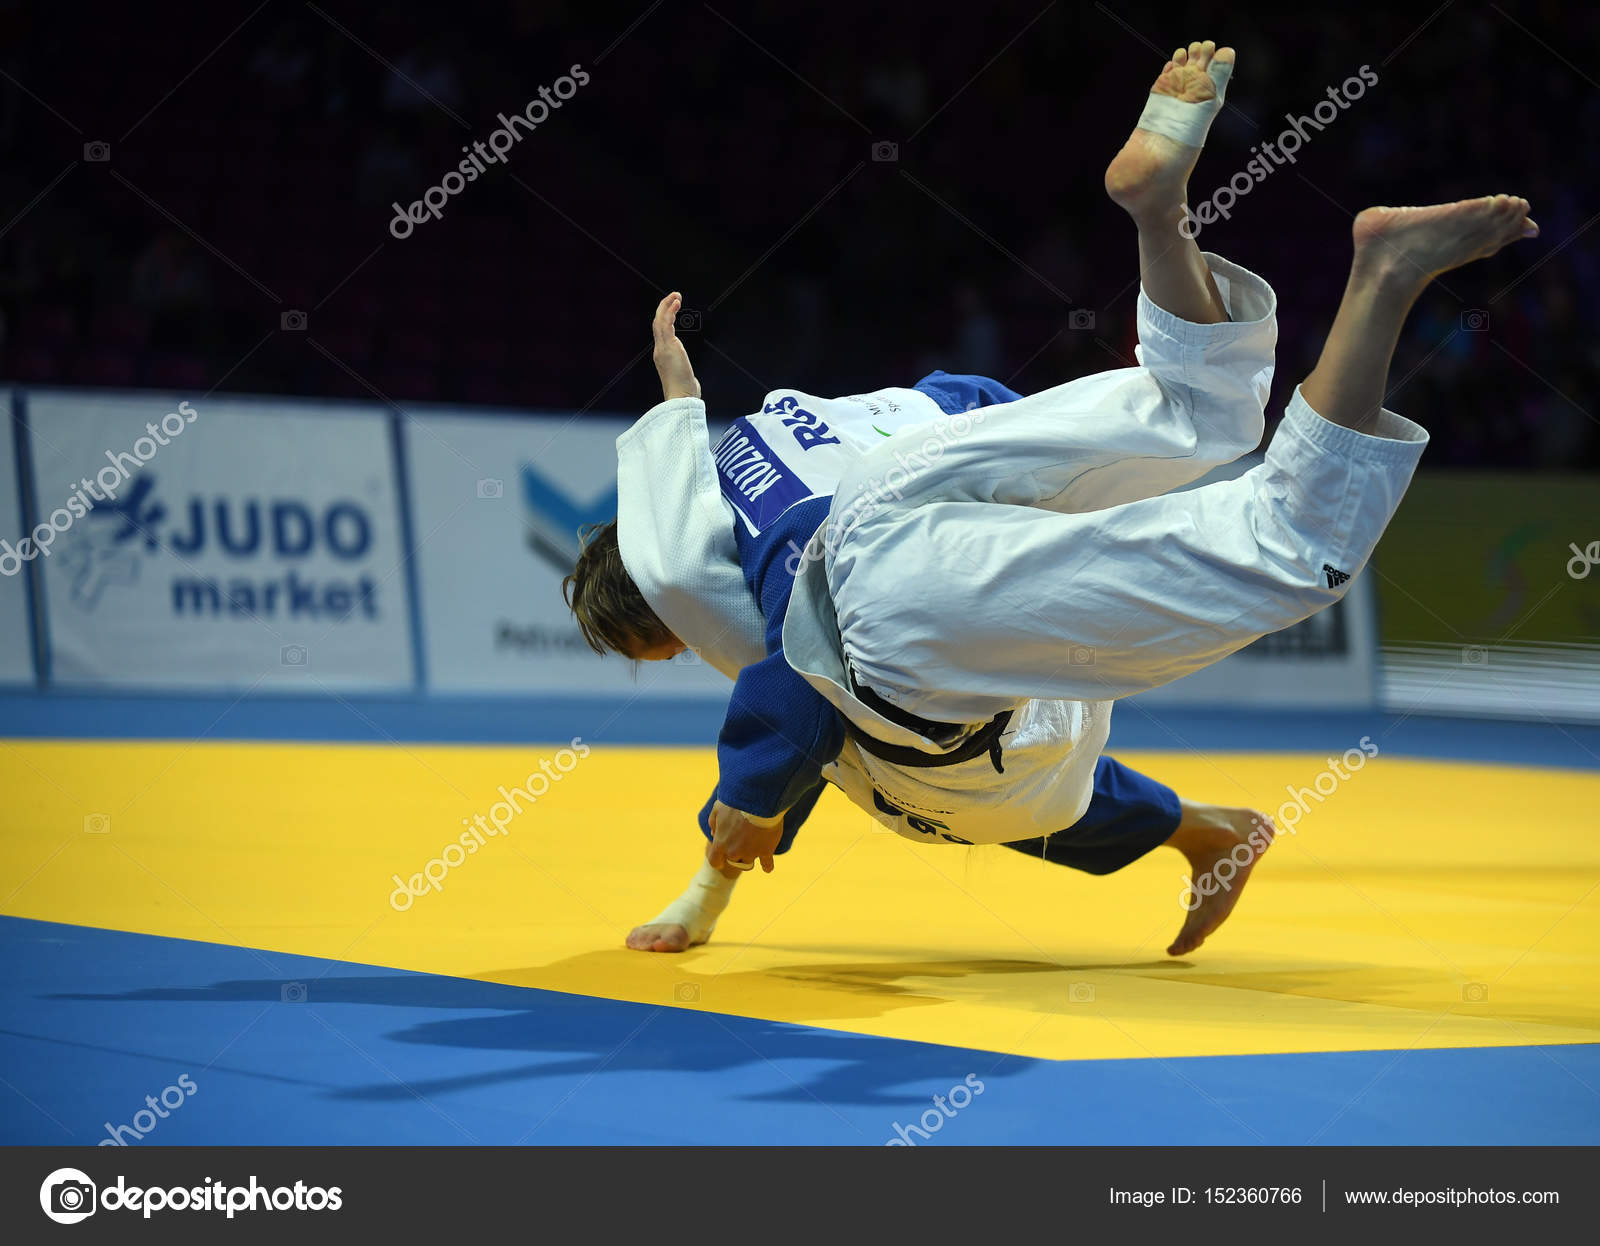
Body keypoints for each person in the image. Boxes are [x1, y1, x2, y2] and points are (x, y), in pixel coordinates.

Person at [563, 39, 1538, 958]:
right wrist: (1048, 484)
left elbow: (794, 685)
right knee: (1199, 404)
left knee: (1286, 545)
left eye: (670, 644)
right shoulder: (760, 442)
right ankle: (1157, 211)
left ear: (661, 594)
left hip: (895, 608)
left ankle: (1386, 276)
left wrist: (735, 820)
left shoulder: (720, 581)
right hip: (930, 460)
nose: (690, 652)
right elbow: (955, 399)